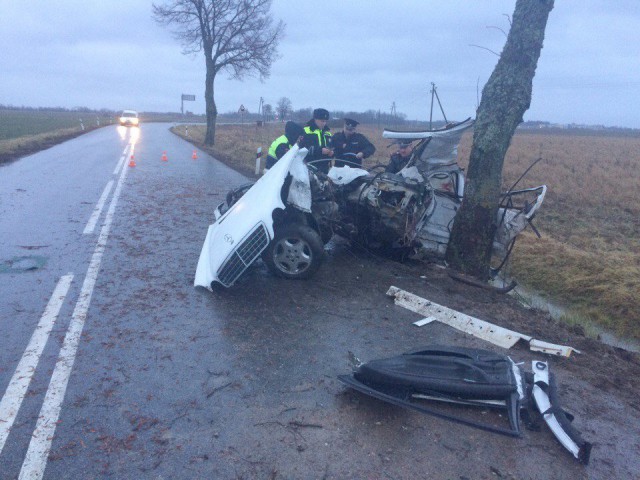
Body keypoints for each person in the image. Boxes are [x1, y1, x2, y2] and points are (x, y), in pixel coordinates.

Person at [303, 108, 333, 174]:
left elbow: (332, 147)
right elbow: (302, 149)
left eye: (326, 121)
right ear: (315, 119)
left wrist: (332, 153)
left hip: (325, 168)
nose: (324, 123)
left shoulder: (328, 133)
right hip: (309, 167)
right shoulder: (305, 131)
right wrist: (320, 151)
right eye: (322, 121)